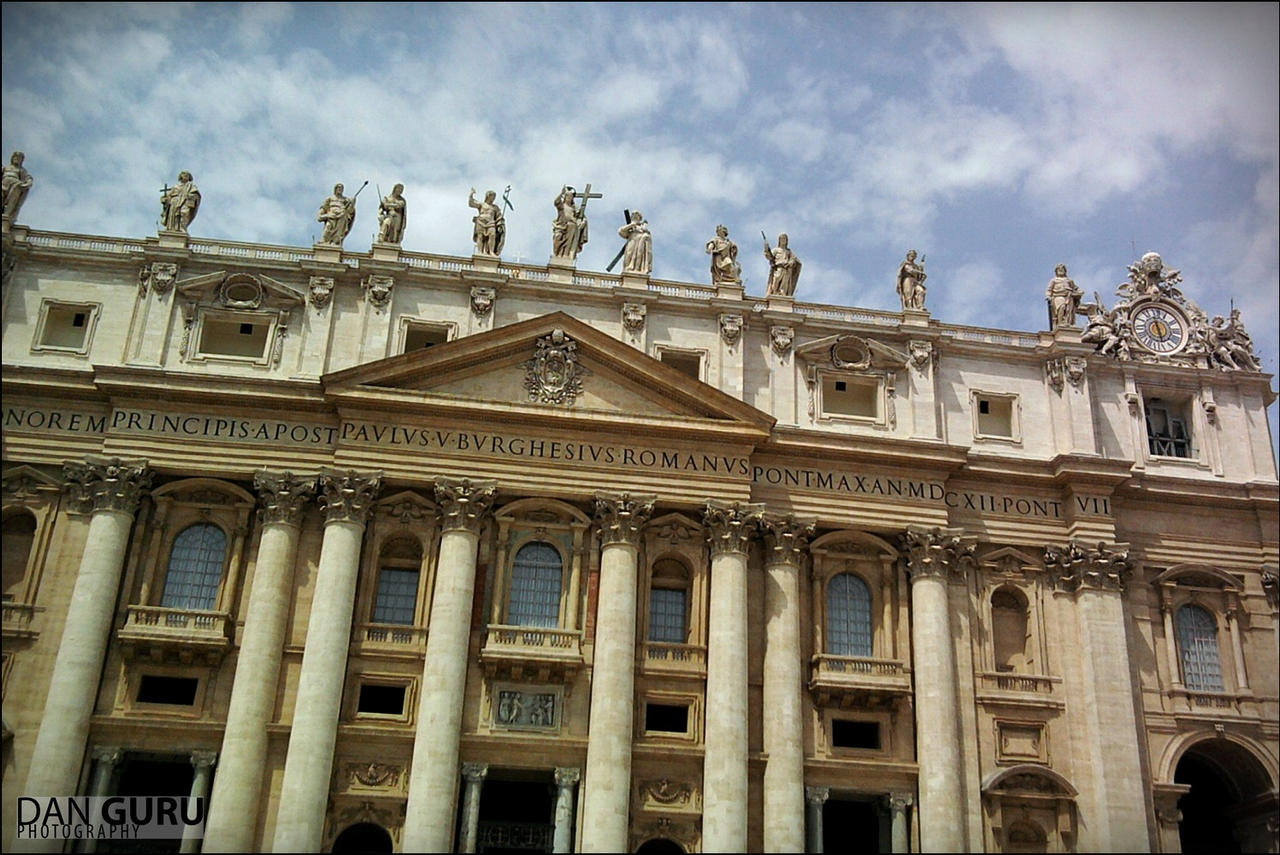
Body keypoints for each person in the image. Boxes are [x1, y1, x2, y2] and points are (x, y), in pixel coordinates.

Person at [551, 185, 588, 260]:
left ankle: (566, 254)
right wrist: (561, 193)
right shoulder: (562, 206)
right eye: (567, 196)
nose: (569, 198)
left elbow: (582, 216)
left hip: (571, 226)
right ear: (565, 197)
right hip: (560, 227)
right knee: (557, 237)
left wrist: (584, 221)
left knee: (570, 236)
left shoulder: (574, 208)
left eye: (571, 197)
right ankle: (558, 254)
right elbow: (556, 202)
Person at [469, 187, 505, 256]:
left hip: (491, 223)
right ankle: (479, 252)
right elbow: (471, 203)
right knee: (480, 236)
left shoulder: (495, 207)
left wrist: (500, 223)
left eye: (494, 197)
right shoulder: (482, 204)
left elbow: (499, 217)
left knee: (492, 235)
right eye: (492, 196)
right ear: (488, 196)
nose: (493, 198)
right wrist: (471, 194)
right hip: (481, 221)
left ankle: (491, 251)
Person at [1046, 263, 1083, 329]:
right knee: (1062, 307)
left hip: (1069, 296)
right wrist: (1048, 296)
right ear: (1056, 271)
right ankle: (1060, 323)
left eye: (1062, 269)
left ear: (1065, 271)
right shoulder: (1054, 280)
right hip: (1058, 296)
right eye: (1059, 269)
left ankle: (1068, 323)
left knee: (1069, 310)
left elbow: (1076, 288)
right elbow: (1049, 289)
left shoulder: (1069, 280)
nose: (1060, 270)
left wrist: (1079, 292)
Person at [2, 151, 33, 222]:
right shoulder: (6, 168)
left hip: (15, 185)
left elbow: (28, 178)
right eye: (15, 157)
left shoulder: (22, 170)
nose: (17, 159)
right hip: (3, 185)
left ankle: (6, 217)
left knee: (13, 199)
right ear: (12, 158)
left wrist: (29, 182)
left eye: (19, 158)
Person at [618, 210, 652, 274]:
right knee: (629, 253)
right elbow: (621, 231)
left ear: (639, 218)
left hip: (642, 243)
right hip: (632, 241)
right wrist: (631, 225)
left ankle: (638, 269)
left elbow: (648, 237)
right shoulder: (631, 227)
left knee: (640, 255)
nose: (635, 217)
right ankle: (628, 269)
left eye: (637, 216)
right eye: (633, 216)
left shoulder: (643, 227)